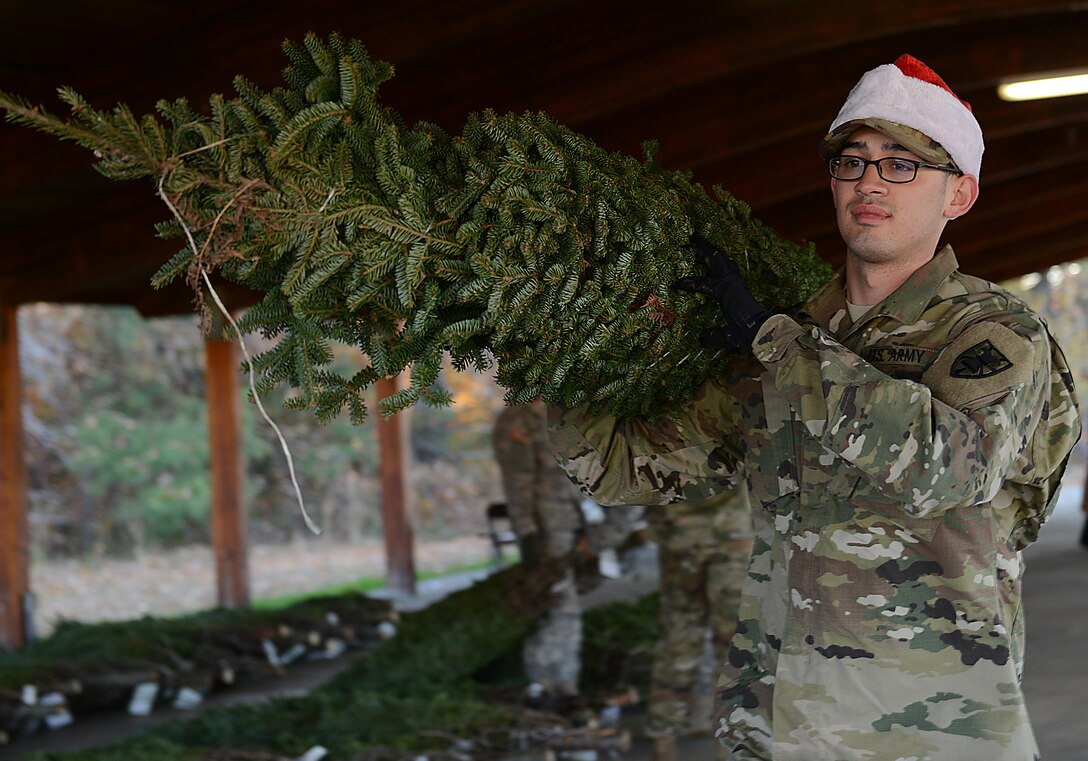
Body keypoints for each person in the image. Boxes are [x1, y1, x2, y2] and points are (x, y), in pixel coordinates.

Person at [546, 54, 1081, 760]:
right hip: (777, 720)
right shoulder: (787, 340)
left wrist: (776, 340)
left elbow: (950, 468)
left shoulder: (991, 333)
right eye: (850, 160)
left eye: (902, 164)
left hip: (931, 727)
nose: (868, 181)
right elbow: (622, 468)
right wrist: (549, 346)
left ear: (959, 194)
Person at [493, 399, 640, 697]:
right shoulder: (522, 416)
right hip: (551, 527)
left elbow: (631, 478)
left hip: (590, 519)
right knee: (556, 604)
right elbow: (519, 484)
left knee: (563, 603)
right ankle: (552, 685)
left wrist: (605, 536)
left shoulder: (601, 404)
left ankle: (558, 684)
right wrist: (529, 537)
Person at [644, 486, 754, 761]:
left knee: (679, 641)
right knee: (732, 645)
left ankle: (664, 743)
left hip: (678, 537)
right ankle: (729, 746)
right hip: (732, 535)